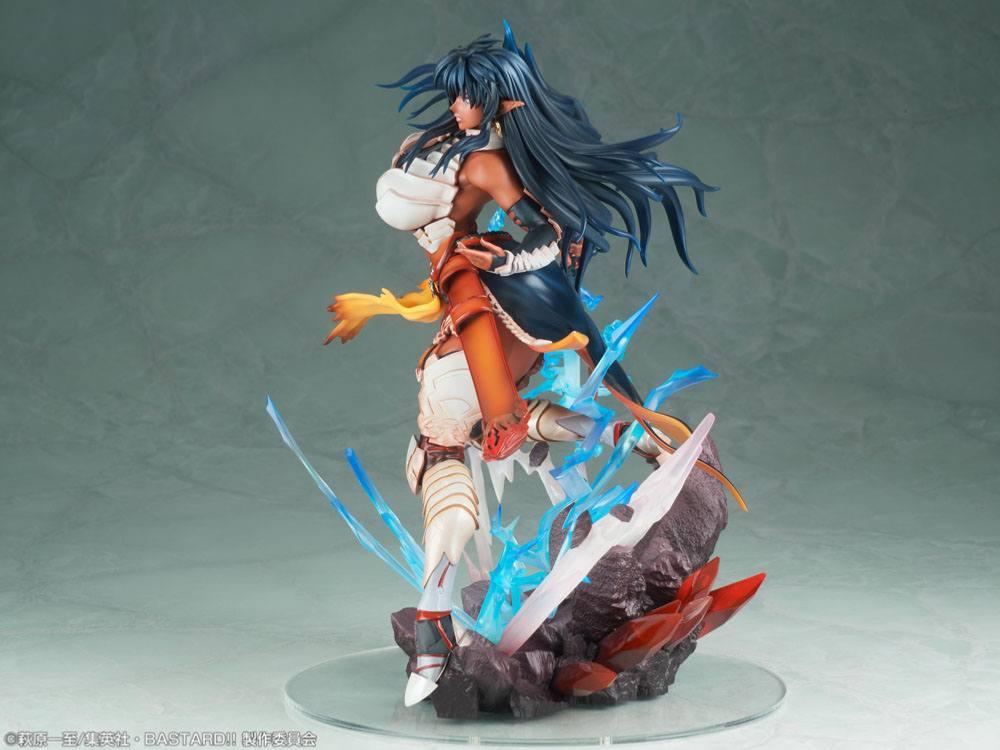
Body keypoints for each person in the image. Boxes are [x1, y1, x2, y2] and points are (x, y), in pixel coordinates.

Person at [325, 23, 744, 705]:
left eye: (470, 98)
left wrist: (510, 256)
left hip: (472, 291)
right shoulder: (438, 141)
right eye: (455, 96)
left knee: (455, 451)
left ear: (498, 102)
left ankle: (433, 630)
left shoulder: (487, 164)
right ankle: (616, 434)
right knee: (489, 426)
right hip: (457, 303)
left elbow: (547, 230)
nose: (458, 107)